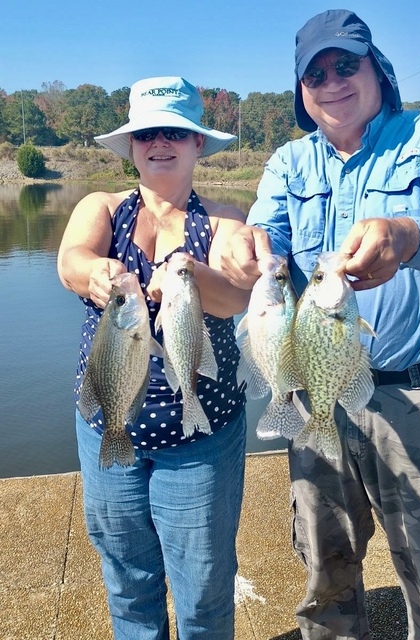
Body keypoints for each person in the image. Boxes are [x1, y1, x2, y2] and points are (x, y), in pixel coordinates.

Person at [221, 9, 420, 640]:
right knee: (323, 572)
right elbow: (268, 237)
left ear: (378, 72)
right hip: (317, 393)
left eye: (346, 64)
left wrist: (409, 233)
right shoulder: (289, 162)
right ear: (301, 92)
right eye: (315, 73)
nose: (331, 81)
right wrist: (244, 243)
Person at [57, 76, 250, 640]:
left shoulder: (222, 218)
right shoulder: (103, 207)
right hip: (108, 421)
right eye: (146, 134)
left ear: (196, 145)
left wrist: (189, 275)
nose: (159, 142)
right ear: (132, 147)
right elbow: (70, 259)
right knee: (128, 583)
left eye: (175, 132)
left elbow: (238, 296)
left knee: (204, 590)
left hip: (201, 433)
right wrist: (99, 275)